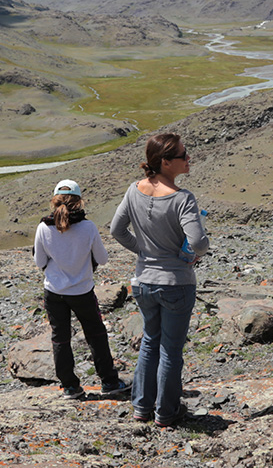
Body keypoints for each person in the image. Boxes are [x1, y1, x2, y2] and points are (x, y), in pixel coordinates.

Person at [110, 133, 208, 428]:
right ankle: (167, 412)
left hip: (143, 282)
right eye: (183, 155)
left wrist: (143, 251)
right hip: (176, 283)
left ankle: (141, 408)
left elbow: (117, 230)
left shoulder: (133, 190)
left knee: (150, 342)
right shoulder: (182, 199)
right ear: (166, 162)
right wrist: (192, 256)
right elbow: (199, 243)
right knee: (170, 349)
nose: (188, 158)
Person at [33, 178, 129, 400]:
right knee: (96, 334)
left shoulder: (43, 227)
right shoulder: (88, 227)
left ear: (54, 201)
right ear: (80, 202)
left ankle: (69, 386)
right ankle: (109, 382)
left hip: (54, 292)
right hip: (83, 291)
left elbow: (39, 262)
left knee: (60, 338)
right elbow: (102, 259)